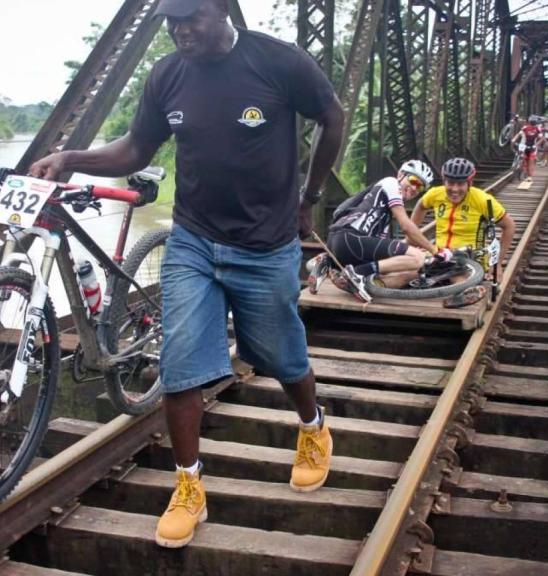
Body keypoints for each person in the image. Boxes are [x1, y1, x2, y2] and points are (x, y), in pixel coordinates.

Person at [29, 0, 345, 549]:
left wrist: (310, 197)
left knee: (278, 356)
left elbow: (332, 116)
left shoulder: (278, 62)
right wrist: (71, 157)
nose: (179, 30)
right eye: (169, 21)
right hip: (193, 239)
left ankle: (314, 427)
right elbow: (135, 148)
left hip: (265, 246)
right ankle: (188, 487)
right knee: (181, 361)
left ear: (222, 9)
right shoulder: (167, 74)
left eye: (190, 17)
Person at [306, 160, 441, 302]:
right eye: (413, 181)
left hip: (340, 242)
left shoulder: (384, 215)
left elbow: (383, 255)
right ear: (401, 174)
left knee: (389, 266)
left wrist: (409, 252)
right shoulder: (391, 183)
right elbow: (406, 226)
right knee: (417, 258)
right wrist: (434, 250)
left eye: (420, 188)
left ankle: (328, 262)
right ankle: (356, 274)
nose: (415, 188)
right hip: (351, 238)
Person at [411, 158, 516, 302]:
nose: (454, 189)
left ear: (469, 183)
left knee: (458, 280)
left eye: (460, 184)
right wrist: (412, 235)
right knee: (404, 272)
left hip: (468, 259)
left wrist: (497, 263)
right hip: (439, 253)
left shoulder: (482, 200)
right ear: (444, 181)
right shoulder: (435, 194)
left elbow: (509, 226)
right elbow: (421, 205)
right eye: (450, 183)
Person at [510, 116, 541, 181]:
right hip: (524, 146)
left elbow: (541, 138)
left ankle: (529, 175)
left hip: (531, 147)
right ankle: (521, 168)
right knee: (526, 159)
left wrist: (537, 144)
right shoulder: (525, 128)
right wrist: (514, 140)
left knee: (530, 161)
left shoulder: (537, 129)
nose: (532, 124)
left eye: (533, 123)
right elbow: (518, 134)